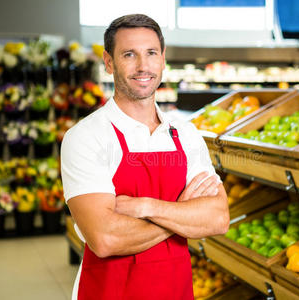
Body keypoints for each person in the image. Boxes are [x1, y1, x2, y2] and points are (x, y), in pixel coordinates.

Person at [61, 14, 230, 300]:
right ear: (109, 61)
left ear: (163, 58)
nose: (143, 66)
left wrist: (146, 206)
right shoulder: (86, 136)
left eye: (151, 53)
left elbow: (217, 218)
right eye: (129, 54)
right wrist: (181, 211)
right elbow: (105, 239)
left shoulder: (185, 135)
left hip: (175, 290)